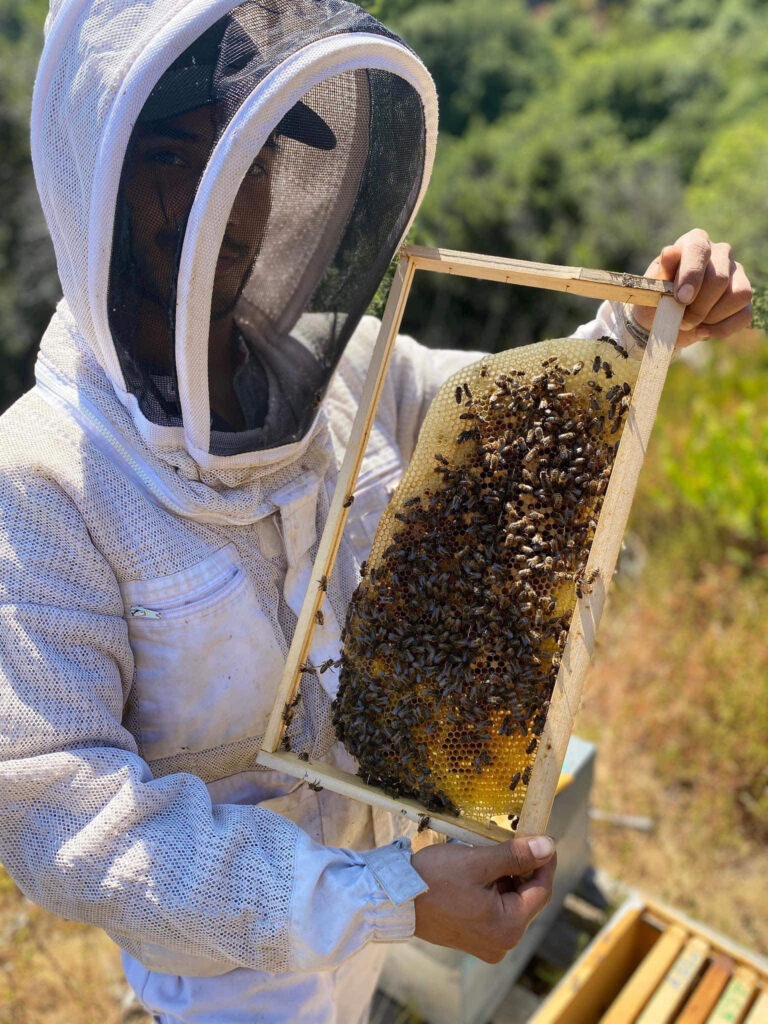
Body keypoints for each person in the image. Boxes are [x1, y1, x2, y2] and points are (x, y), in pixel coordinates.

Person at [0, 1, 752, 1022]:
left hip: (378, 899)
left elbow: (499, 428)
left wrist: (639, 323)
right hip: (221, 980)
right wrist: (378, 899)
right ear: (99, 179)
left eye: (257, 158)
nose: (232, 198)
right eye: (181, 155)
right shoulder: (41, 482)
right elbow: (67, 815)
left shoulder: (339, 366)